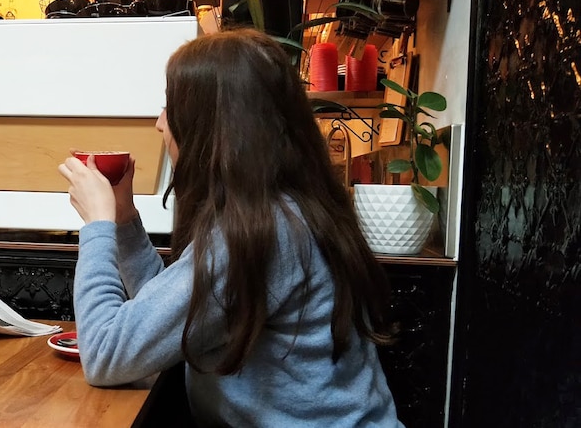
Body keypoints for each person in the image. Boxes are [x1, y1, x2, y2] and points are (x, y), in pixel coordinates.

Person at [57, 28, 402, 427]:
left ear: (212, 126)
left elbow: (104, 355)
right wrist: (124, 220)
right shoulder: (284, 212)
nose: (159, 123)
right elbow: (172, 313)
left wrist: (97, 226)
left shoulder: (266, 232)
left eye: (172, 107)